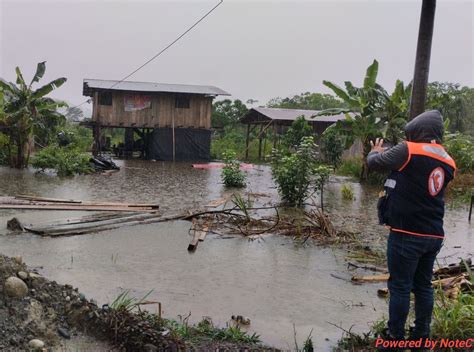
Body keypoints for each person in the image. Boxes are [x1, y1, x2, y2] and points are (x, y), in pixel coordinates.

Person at [367, 110, 456, 349]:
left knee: (399, 285)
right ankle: (421, 337)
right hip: (433, 235)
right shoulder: (448, 160)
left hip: (407, 233)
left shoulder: (409, 149)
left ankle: (394, 338)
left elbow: (374, 164)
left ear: (417, 131)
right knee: (423, 286)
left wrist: (376, 150)